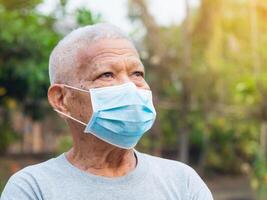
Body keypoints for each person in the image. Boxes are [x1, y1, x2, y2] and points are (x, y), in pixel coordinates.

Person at [1, 23, 213, 200]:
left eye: (137, 73)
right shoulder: (33, 188)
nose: (130, 87)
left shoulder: (182, 182)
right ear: (61, 99)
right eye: (107, 75)